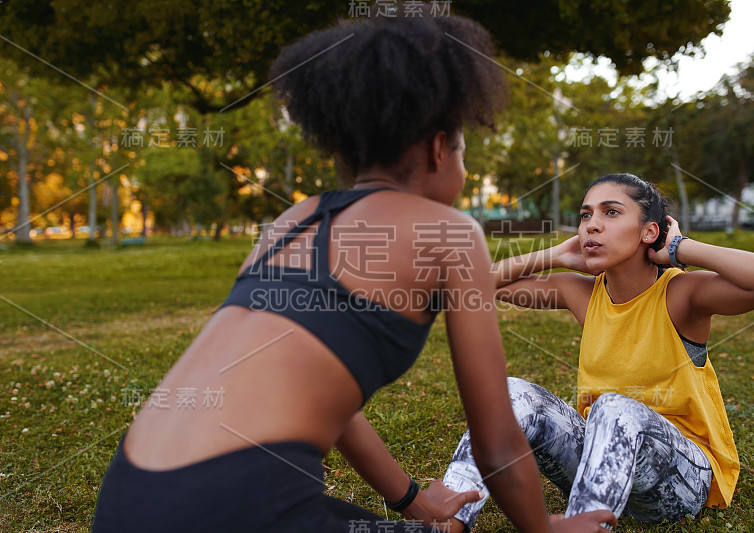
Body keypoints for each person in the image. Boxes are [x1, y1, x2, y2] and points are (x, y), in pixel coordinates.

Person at [92, 7, 615, 533]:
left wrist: (412, 498)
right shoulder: (451, 233)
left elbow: (327, 399)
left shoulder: (291, 222)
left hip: (126, 499)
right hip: (239, 504)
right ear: (439, 147)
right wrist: (544, 528)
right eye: (461, 147)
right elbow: (497, 438)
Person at [442, 173, 754, 531]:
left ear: (649, 232)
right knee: (511, 391)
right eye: (585, 215)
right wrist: (557, 254)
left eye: (610, 213)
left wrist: (680, 247)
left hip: (681, 480)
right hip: (604, 465)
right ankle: (448, 521)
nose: (592, 225)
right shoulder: (582, 293)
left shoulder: (682, 294)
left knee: (612, 406)